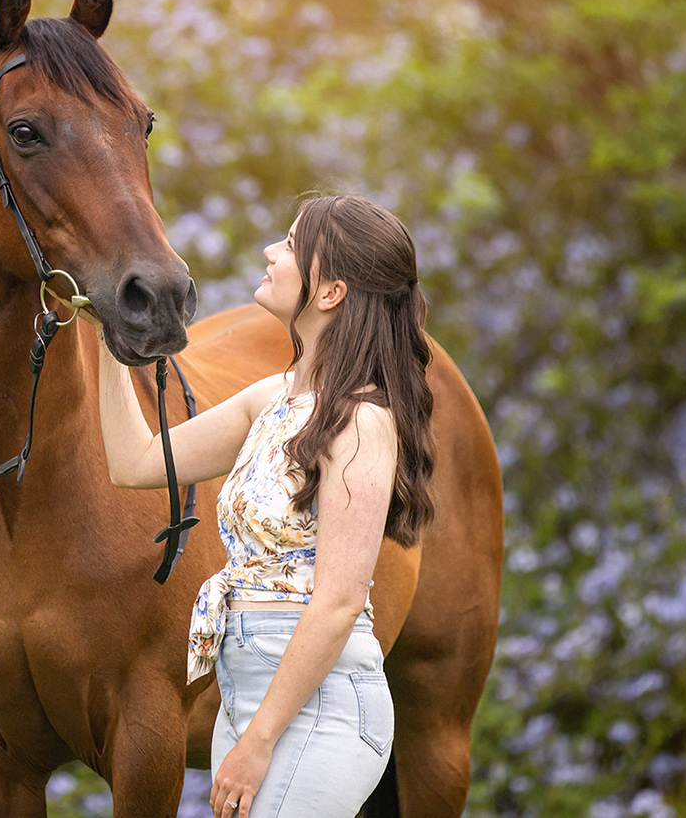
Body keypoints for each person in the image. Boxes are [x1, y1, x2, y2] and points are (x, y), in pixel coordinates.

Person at [95, 192, 438, 818]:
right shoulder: (271, 400)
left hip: (321, 711)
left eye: (288, 243)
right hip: (247, 698)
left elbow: (336, 602)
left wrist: (257, 743)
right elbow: (137, 462)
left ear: (329, 293)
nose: (269, 252)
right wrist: (103, 329)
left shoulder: (360, 423)